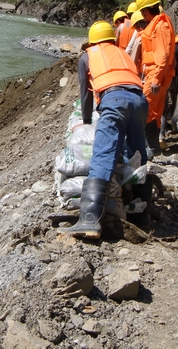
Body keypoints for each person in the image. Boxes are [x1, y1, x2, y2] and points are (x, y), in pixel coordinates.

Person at [59, 21, 149, 239]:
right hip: (139, 100)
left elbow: (86, 92)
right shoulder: (122, 53)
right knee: (138, 154)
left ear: (92, 40)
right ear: (112, 38)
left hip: (114, 99)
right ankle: (143, 214)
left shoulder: (88, 55)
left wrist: (87, 120)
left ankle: (89, 221)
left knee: (103, 155)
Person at [136, 0, 176, 155]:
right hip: (158, 75)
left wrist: (156, 80)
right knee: (154, 112)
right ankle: (153, 148)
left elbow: (163, 56)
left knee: (143, 110)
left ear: (145, 11)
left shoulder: (160, 26)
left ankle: (144, 149)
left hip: (157, 75)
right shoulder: (160, 23)